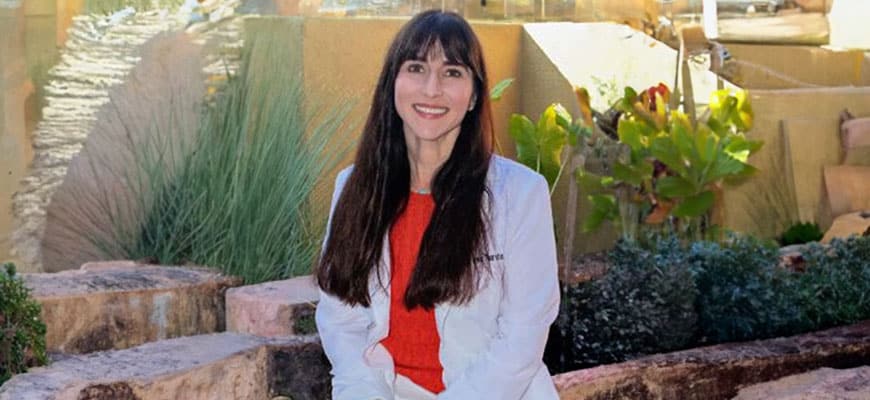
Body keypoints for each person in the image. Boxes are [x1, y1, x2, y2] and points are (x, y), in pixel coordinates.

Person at [315, 10, 559, 400]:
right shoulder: (354, 187)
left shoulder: (521, 194)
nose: (432, 89)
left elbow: (522, 337)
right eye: (416, 68)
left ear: (475, 94)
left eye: (452, 73)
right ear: (392, 82)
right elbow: (342, 323)